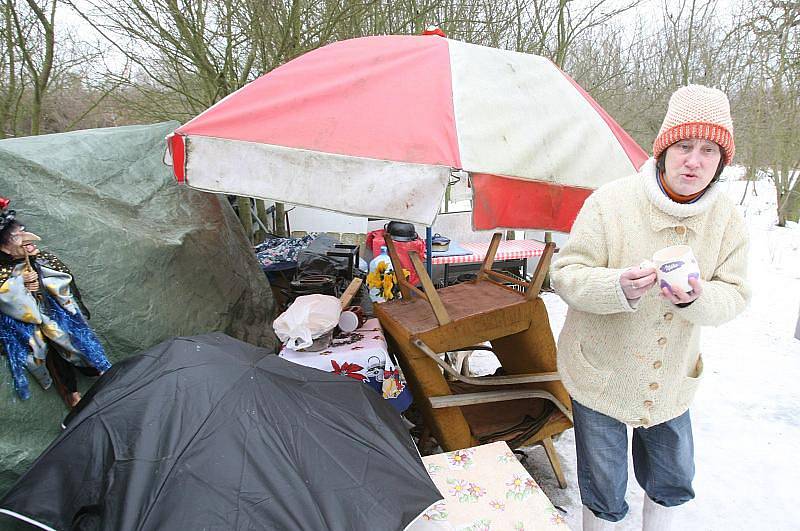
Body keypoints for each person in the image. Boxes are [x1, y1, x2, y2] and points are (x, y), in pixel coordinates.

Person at [550, 85, 750, 530]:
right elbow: (565, 274)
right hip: (600, 372)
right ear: (663, 150)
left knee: (672, 481)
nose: (693, 161)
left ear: (721, 163)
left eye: (708, 150)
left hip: (670, 379)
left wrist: (699, 299)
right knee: (604, 485)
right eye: (683, 146)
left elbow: (736, 293)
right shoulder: (610, 203)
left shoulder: (727, 219)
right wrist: (615, 286)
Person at [0, 198, 111, 407]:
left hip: (56, 312)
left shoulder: (43, 259)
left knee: (75, 339)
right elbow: (9, 300)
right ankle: (72, 394)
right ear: (5, 249)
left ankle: (96, 369)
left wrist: (41, 282)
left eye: (23, 230)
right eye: (16, 237)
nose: (26, 239)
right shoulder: (5, 274)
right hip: (32, 322)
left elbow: (62, 280)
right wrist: (21, 286)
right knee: (50, 347)